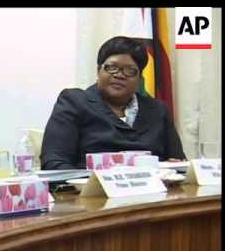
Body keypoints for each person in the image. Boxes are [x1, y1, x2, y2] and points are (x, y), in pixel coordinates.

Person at [41, 36, 186, 170]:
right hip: (91, 193)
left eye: (130, 70)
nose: (119, 75)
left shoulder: (158, 110)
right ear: (98, 71)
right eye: (111, 67)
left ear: (139, 78)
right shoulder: (74, 102)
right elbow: (54, 163)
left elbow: (178, 161)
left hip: (152, 192)